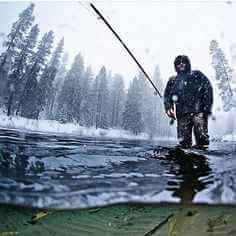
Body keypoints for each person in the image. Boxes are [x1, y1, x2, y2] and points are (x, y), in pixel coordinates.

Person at [164, 55, 213, 149]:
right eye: (178, 62)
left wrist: (207, 108)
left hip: (198, 112)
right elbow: (167, 97)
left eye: (184, 62)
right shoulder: (172, 81)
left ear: (188, 64)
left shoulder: (197, 75)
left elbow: (208, 89)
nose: (181, 64)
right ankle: (184, 158)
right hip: (182, 114)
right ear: (176, 66)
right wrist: (168, 107)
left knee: (202, 138)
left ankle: (202, 155)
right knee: (183, 142)